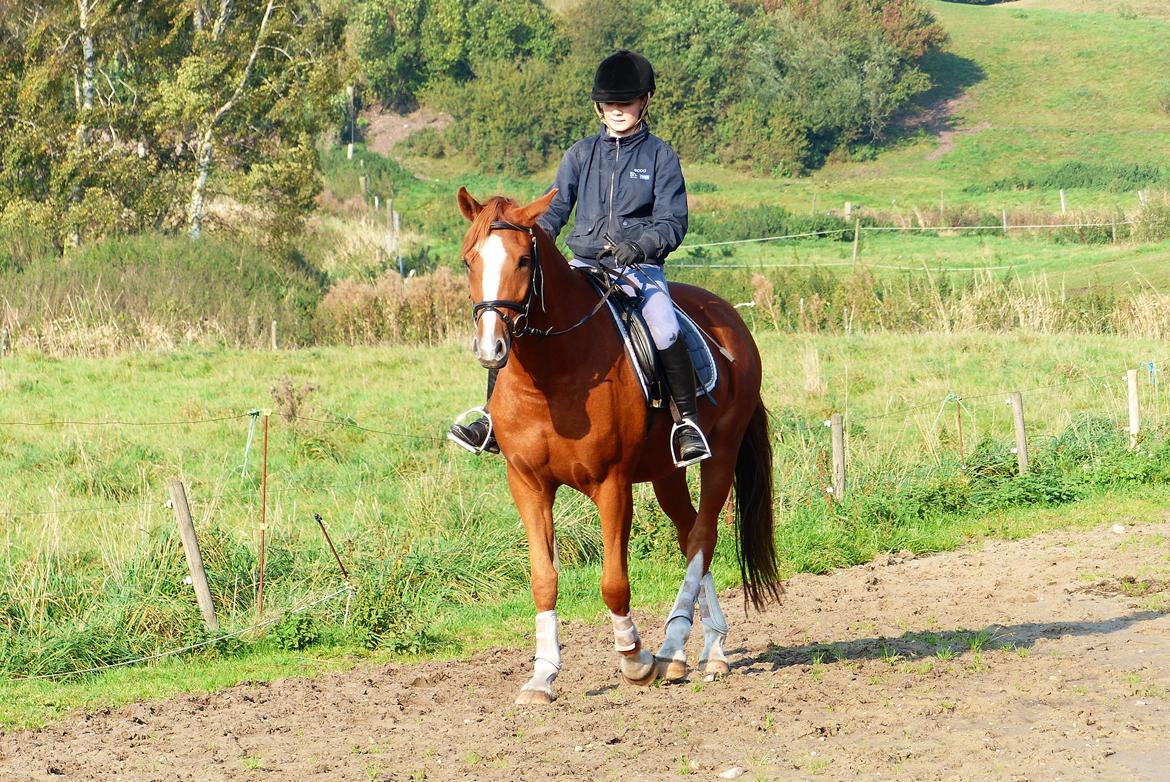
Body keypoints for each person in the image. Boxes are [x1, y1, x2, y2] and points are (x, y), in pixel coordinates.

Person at [448, 50, 710, 467]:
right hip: (584, 264)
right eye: (610, 104)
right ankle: (491, 418)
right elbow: (554, 210)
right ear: (598, 107)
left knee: (662, 324)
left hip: (639, 268)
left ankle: (687, 424)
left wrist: (640, 246)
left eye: (626, 103)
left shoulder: (659, 156)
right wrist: (531, 243)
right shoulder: (580, 154)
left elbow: (673, 220)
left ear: (645, 102)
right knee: (520, 314)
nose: (617, 111)